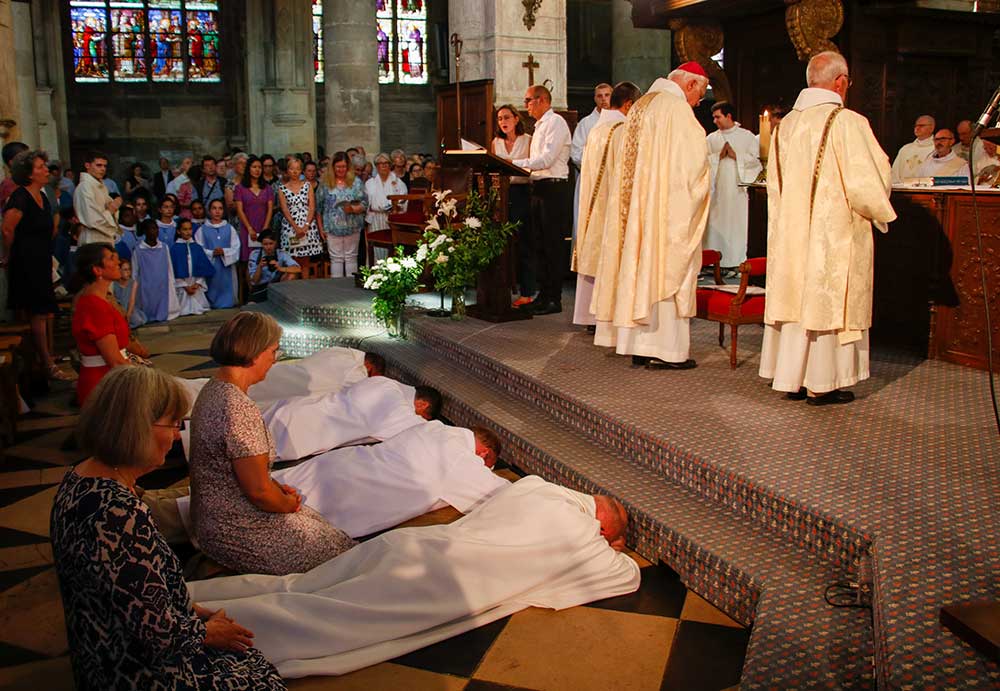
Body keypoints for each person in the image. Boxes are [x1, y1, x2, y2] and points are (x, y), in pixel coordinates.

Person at [186, 475, 639, 678]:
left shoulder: (538, 487)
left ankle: (182, 597)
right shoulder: (584, 541)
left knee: (298, 587)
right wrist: (612, 546)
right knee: (318, 618)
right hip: (429, 578)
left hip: (407, 545)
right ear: (602, 527)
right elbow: (625, 576)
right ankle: (189, 632)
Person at [50, 366, 284, 690]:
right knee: (261, 676)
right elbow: (157, 634)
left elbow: (132, 593)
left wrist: (195, 612)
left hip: (98, 653)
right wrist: (208, 632)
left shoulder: (80, 478)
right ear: (136, 428)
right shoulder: (118, 514)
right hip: (134, 673)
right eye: (173, 425)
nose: (177, 436)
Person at [760, 50, 896, 406]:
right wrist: (881, 209)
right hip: (832, 236)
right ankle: (822, 382)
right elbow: (867, 182)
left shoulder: (784, 126)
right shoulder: (847, 122)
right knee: (826, 300)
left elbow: (773, 187)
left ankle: (792, 377)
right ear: (840, 82)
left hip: (791, 236)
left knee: (797, 299)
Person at [189, 312, 355, 575]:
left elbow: (245, 475)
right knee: (340, 558)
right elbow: (258, 493)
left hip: (214, 515)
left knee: (325, 530)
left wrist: (278, 490)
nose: (274, 359)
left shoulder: (214, 388)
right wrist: (284, 503)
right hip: (233, 525)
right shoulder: (237, 408)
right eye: (273, 351)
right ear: (254, 352)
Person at [165, 421, 508, 545]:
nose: (483, 468)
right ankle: (162, 522)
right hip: (351, 489)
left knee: (252, 489)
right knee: (258, 512)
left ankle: (158, 506)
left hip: (341, 464)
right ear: (483, 452)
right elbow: (497, 496)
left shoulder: (432, 428)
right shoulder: (460, 454)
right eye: (486, 463)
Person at [604, 63, 711, 370]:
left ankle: (638, 345)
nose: (698, 102)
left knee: (641, 270)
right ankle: (667, 351)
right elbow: (693, 168)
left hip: (638, 212)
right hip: (665, 211)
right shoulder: (676, 111)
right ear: (689, 85)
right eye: (700, 94)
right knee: (666, 269)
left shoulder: (641, 106)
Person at [572, 82, 642, 328]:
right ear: (629, 104)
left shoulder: (598, 129)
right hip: (613, 206)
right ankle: (605, 314)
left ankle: (590, 315)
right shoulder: (622, 130)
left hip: (592, 204)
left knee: (594, 253)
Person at [2, 149, 73, 381]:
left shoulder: (41, 196)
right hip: (26, 261)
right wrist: (9, 255)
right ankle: (44, 363)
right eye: (41, 167)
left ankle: (44, 359)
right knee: (36, 313)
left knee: (43, 313)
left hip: (41, 259)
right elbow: (7, 228)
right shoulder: (20, 196)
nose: (46, 170)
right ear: (29, 174)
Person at [259, 377, 441, 460]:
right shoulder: (397, 409)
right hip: (303, 429)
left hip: (295, 408)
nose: (421, 419)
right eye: (424, 417)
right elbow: (422, 433)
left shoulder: (384, 381)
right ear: (423, 405)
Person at [513, 85, 573, 315]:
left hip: (554, 190)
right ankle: (543, 295)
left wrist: (515, 163)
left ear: (541, 100)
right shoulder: (539, 126)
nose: (526, 104)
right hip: (539, 187)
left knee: (552, 246)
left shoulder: (555, 122)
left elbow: (546, 159)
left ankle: (554, 298)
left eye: (528, 100)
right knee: (539, 244)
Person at [704, 101, 763, 269]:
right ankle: (713, 261)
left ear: (728, 116)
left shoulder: (747, 136)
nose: (714, 121)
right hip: (717, 193)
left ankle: (735, 262)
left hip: (737, 193)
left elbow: (756, 162)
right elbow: (702, 162)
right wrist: (717, 157)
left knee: (735, 226)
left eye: (718, 117)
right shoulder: (711, 138)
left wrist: (737, 156)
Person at [70, 243, 131, 404]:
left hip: (110, 377)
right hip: (104, 383)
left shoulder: (98, 301)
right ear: (97, 270)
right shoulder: (94, 306)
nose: (118, 263)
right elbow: (115, 361)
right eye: (112, 259)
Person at [492, 104, 535, 304]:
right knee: (502, 243)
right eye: (500, 119)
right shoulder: (496, 142)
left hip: (521, 192)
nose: (503, 122)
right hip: (501, 194)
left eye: (506, 117)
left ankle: (527, 291)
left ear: (516, 119)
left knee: (525, 242)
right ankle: (501, 289)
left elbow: (532, 166)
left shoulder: (528, 140)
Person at [571, 83, 613, 245]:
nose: (603, 99)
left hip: (612, 181)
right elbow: (575, 153)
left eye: (607, 95)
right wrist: (599, 163)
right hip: (591, 179)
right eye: (600, 96)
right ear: (595, 99)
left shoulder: (623, 120)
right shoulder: (586, 124)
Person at [318, 151, 368, 278]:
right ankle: (336, 291)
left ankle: (351, 289)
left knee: (351, 258)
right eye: (338, 167)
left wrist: (353, 209)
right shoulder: (325, 183)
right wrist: (321, 228)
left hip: (352, 226)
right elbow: (318, 208)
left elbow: (365, 204)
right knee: (336, 259)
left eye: (344, 167)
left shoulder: (356, 182)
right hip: (332, 227)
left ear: (348, 167)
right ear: (333, 167)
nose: (341, 169)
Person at [233, 156, 274, 302]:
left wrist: (265, 228)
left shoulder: (267, 188)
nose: (257, 170)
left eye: (259, 167)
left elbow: (270, 209)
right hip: (247, 230)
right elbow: (240, 210)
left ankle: (264, 295)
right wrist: (249, 228)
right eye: (254, 167)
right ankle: (250, 295)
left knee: (263, 259)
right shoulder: (240, 188)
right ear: (248, 169)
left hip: (263, 228)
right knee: (248, 262)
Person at [278, 155, 324, 273]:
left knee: (306, 261)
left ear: (301, 170)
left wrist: (306, 226)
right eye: (292, 169)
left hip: (307, 226)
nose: (294, 171)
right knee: (293, 262)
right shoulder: (282, 188)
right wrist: (296, 227)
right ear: (287, 171)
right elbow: (285, 210)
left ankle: (306, 289)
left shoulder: (307, 185)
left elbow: (312, 206)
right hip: (291, 226)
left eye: (297, 169)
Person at [132, 219, 180, 323]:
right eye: (151, 229)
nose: (155, 231)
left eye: (156, 228)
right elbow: (135, 272)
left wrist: (172, 283)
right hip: (146, 285)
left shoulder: (163, 247)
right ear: (145, 231)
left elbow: (169, 267)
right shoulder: (138, 250)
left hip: (162, 283)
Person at [196, 199, 240, 308]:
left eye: (220, 208)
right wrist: (211, 253)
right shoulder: (202, 230)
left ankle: (228, 303)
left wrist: (224, 252)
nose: (217, 211)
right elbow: (198, 249)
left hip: (226, 267)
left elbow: (236, 247)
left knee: (227, 287)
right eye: (214, 208)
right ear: (209, 211)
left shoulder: (230, 228)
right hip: (211, 265)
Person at [364, 152, 407, 262]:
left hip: (392, 218)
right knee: (376, 248)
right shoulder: (370, 183)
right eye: (380, 163)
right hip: (375, 218)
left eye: (386, 163)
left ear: (390, 165)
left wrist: (396, 207)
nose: (383, 166)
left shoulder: (398, 182)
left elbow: (404, 200)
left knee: (392, 248)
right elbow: (366, 202)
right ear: (376, 166)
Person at [74, 150, 122, 245]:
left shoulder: (101, 186)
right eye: (99, 165)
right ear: (87, 165)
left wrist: (114, 206)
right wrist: (111, 209)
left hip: (105, 238)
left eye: (105, 166)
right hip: (92, 239)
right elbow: (92, 220)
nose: (103, 169)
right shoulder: (84, 186)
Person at [172, 217, 214, 316]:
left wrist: (197, 283)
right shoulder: (174, 249)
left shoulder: (197, 247)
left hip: (195, 285)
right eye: (185, 229)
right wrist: (185, 286)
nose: (188, 232)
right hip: (182, 286)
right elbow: (173, 271)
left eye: (190, 229)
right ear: (178, 231)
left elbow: (203, 268)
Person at [248, 231, 301, 302]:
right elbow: (254, 281)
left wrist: (280, 268)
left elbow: (298, 269)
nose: (268, 247)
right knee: (251, 306)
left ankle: (283, 300)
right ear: (262, 244)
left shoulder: (281, 254)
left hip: (277, 288)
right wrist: (259, 267)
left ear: (275, 243)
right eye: (265, 244)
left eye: (271, 243)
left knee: (292, 274)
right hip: (261, 288)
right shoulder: (255, 255)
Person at [890, 115, 935, 183]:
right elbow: (895, 173)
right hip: (903, 189)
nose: (917, 128)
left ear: (932, 128)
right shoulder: (905, 149)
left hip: (925, 190)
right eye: (916, 126)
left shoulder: (936, 149)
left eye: (921, 125)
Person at [112, 257, 147, 329]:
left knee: (138, 320)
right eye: (125, 270)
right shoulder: (113, 284)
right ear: (119, 271)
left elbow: (132, 300)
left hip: (129, 308)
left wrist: (128, 314)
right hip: (118, 309)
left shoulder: (133, 283)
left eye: (129, 269)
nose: (128, 272)